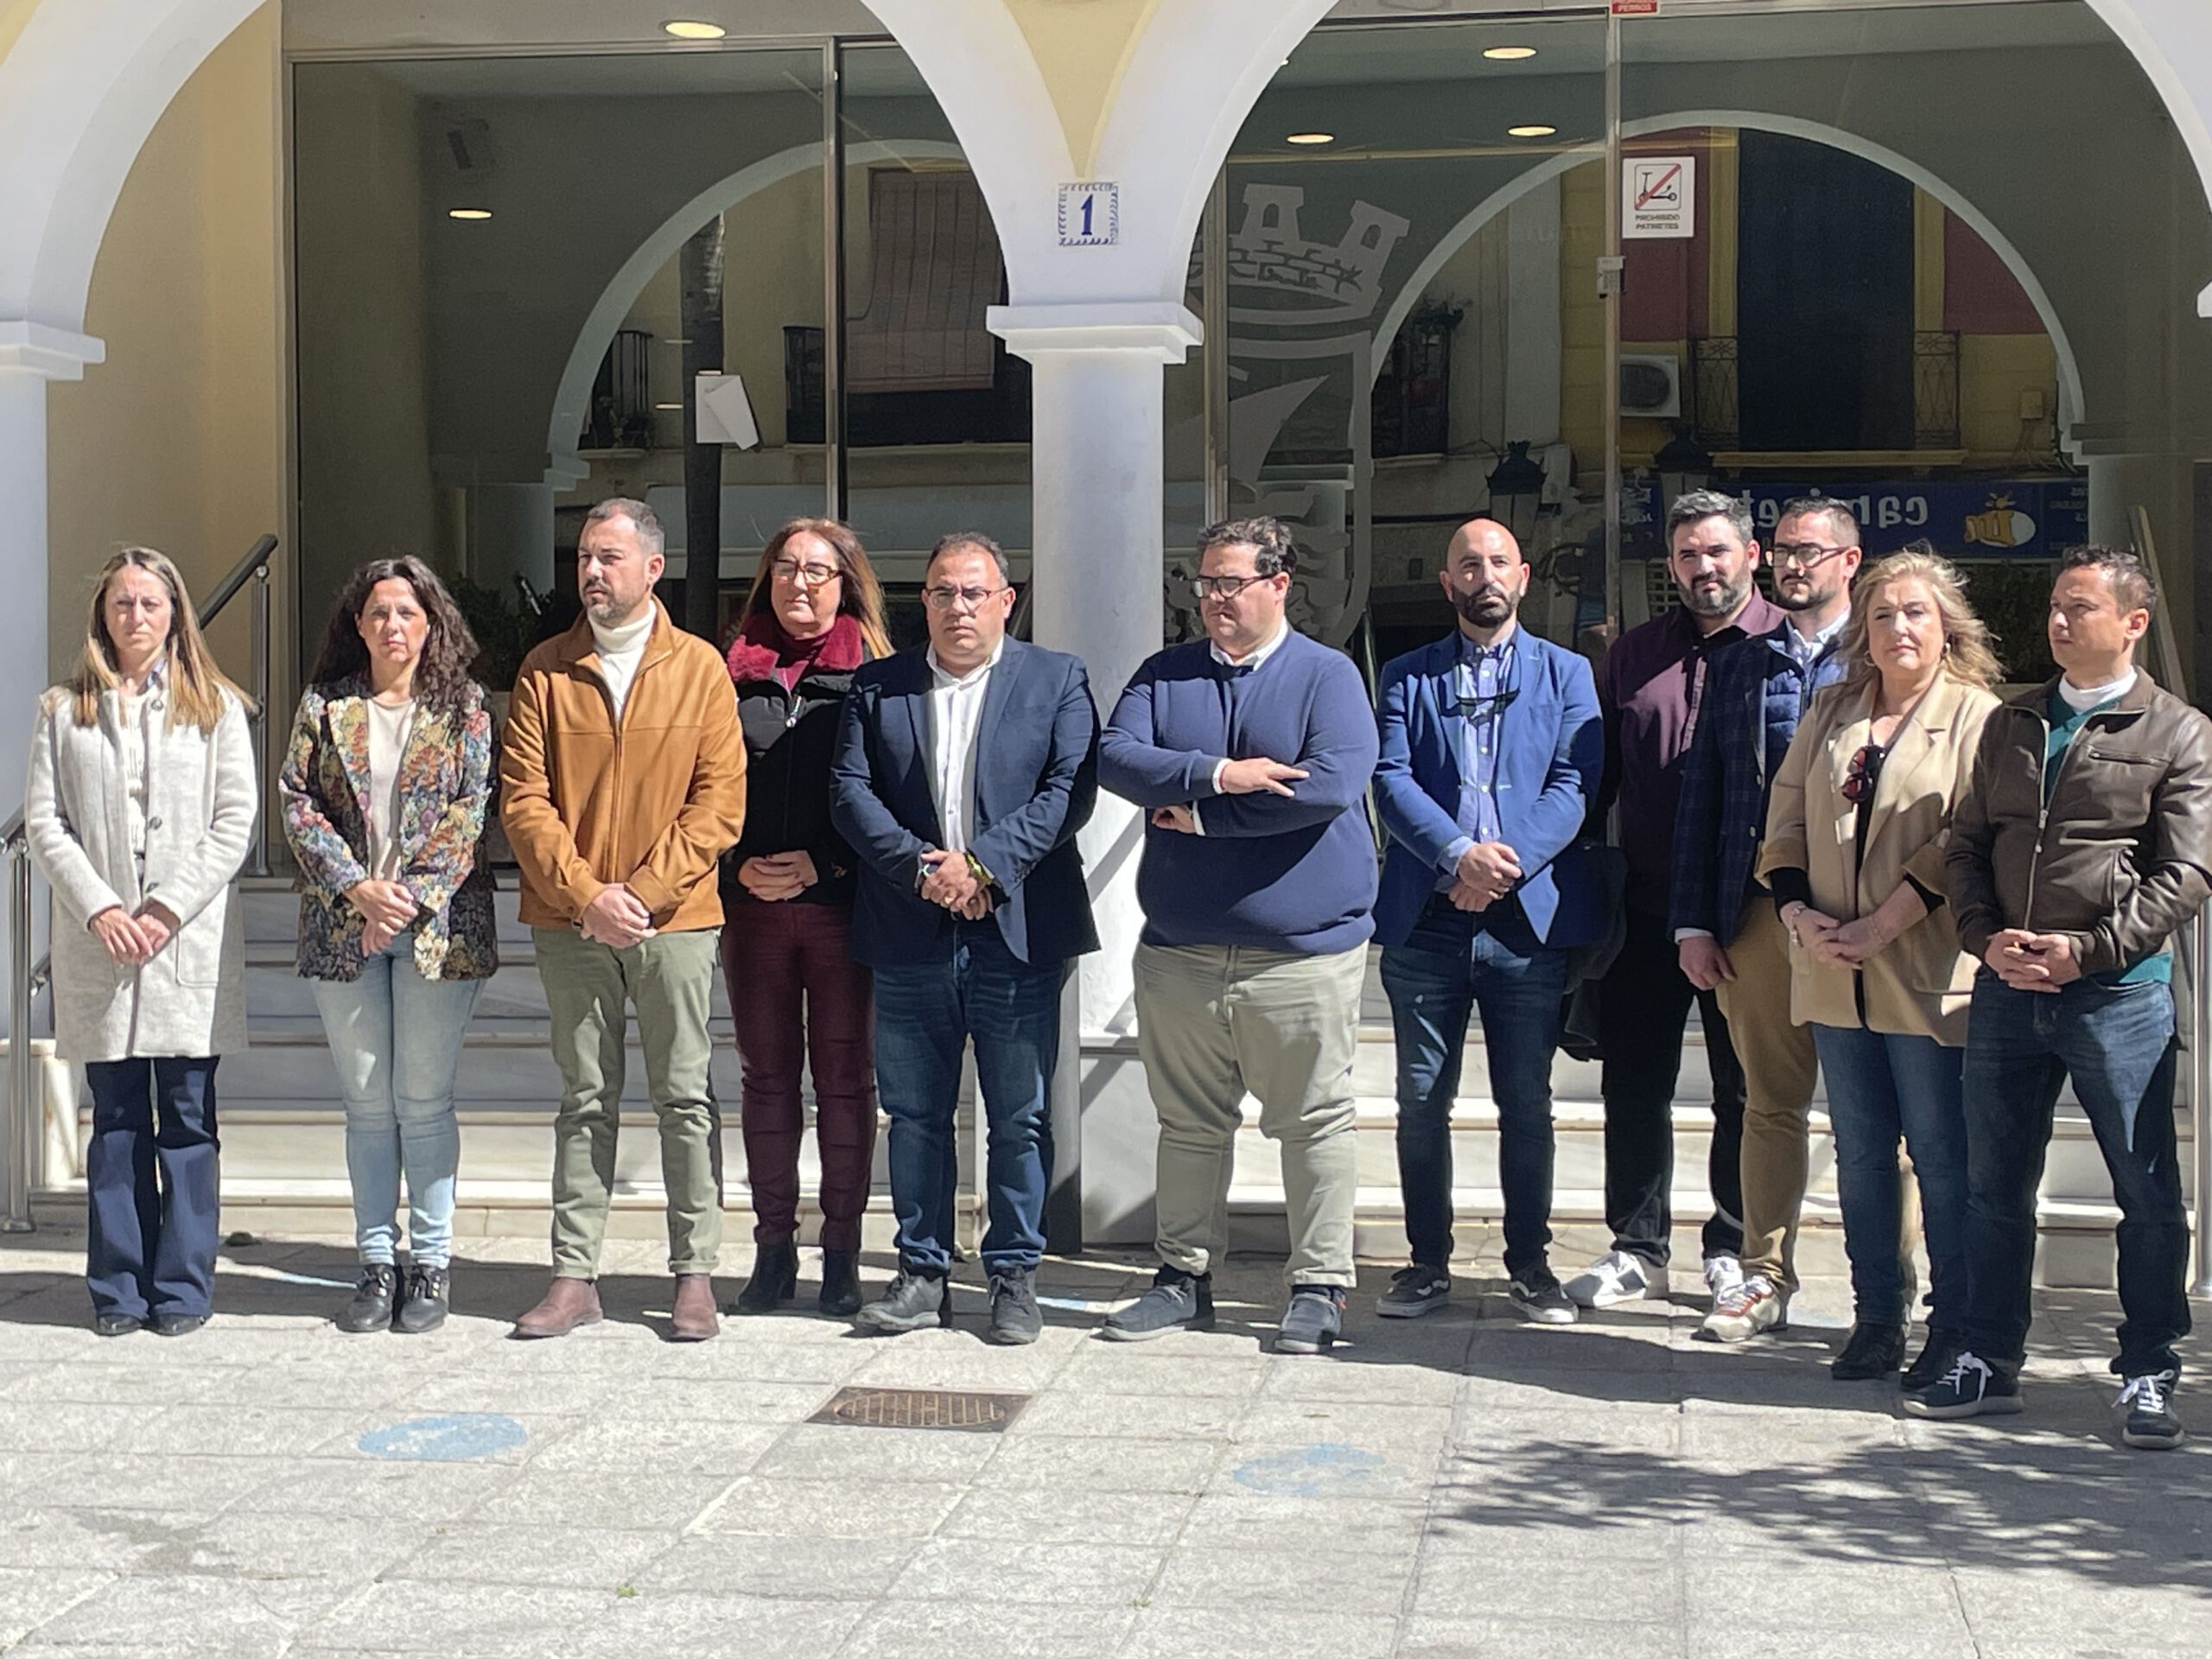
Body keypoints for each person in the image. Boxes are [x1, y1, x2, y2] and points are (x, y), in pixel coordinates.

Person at [1916, 545, 2212, 1449]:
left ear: (2133, 623)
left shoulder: (2177, 732)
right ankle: (1987, 1356)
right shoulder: (2013, 721)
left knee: (2145, 1190)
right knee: (1993, 1185)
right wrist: (1983, 937)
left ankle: (2149, 1369)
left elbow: (2185, 873)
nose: (2057, 621)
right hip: (2007, 987)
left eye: (2079, 607)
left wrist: (2086, 952)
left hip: (2117, 997)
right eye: (2054, 605)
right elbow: (1966, 844)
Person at [1096, 517, 1379, 1355]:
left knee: (1313, 1122)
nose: (1216, 599)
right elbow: (1115, 759)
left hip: (1302, 956)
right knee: (1188, 1125)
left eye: (1232, 583)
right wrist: (1218, 774)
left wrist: (1203, 818)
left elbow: (1326, 787)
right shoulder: (1166, 674)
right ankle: (1182, 1279)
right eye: (1207, 584)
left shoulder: (1327, 677)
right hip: (1180, 950)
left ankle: (1318, 1286)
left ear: (1279, 584)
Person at [830, 531, 1097, 1344]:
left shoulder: (1057, 679)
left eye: (974, 592)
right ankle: (922, 1273)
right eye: (942, 592)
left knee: (1019, 1115)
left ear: (1005, 602)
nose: (958, 607)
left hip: (1016, 931)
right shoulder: (878, 685)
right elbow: (850, 793)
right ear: (924, 602)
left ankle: (1013, 1275)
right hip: (910, 930)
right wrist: (925, 869)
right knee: (915, 1115)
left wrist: (982, 866)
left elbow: (1069, 792)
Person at [500, 498, 747, 1342]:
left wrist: (639, 892)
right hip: (571, 922)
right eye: (583, 558)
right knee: (584, 1097)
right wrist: (586, 896)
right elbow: (524, 802)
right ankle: (574, 1276)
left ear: (653, 568)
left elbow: (719, 803)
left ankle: (694, 1275)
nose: (592, 572)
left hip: (674, 920)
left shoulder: (700, 668)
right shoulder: (545, 670)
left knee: (685, 1096)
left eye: (609, 557)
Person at [1759, 547, 2000, 1383]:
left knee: (1940, 1155)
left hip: (1923, 972)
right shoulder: (1831, 710)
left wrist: (1883, 924)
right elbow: (1784, 823)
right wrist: (1798, 914)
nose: (1899, 627)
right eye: (1883, 614)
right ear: (1862, 630)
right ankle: (1875, 1317)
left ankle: (1954, 1325)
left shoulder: (1976, 716)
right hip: (1831, 968)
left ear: (1947, 628)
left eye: (1915, 612)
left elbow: (1964, 837)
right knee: (1860, 1153)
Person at [1370, 519, 1603, 1324]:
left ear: (1524, 576)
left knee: (1526, 1101)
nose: (1485, 576)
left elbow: (1575, 783)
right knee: (1419, 1100)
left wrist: (1504, 867)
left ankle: (1530, 1264)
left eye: (1498, 562)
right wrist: (1457, 855)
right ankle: (1426, 1263)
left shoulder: (1568, 673)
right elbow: (1391, 779)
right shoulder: (1406, 675)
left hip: (1522, 923)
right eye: (1468, 565)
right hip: (1427, 919)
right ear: (1448, 584)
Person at [24, 548, 255, 1337]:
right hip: (103, 947)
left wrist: (165, 907)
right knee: (117, 1121)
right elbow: (46, 823)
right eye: (122, 603)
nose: (136, 616)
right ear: (103, 613)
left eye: (151, 603)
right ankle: (119, 1289)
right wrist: (99, 907)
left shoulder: (217, 708)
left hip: (183, 944)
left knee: (187, 1118)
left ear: (175, 613)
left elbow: (234, 822)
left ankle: (182, 1288)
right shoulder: (63, 710)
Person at [1567, 489, 1782, 1313]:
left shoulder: (1786, 649)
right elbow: (1597, 780)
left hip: (1751, 915)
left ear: (1751, 555)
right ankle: (1637, 1249)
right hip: (1648, 906)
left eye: (1717, 551)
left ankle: (1732, 1246)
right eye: (1688, 555)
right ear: (1671, 567)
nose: (1704, 568)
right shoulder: (1634, 655)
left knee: (1744, 1091)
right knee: (1634, 1084)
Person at [281, 557, 498, 1336]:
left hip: (437, 931)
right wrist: (358, 891)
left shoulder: (465, 707)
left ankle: (430, 1265)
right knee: (369, 1104)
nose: (392, 625)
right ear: (358, 624)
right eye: (378, 612)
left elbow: (472, 810)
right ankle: (377, 1263)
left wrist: (401, 902)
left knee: (424, 1101)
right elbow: (297, 803)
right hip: (344, 929)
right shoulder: (326, 705)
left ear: (431, 624)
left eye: (407, 612)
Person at [1671, 498, 1861, 1344]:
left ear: (1849, 561)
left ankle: (1888, 1293)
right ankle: (1763, 1276)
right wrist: (1691, 922)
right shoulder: (1741, 665)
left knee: (1876, 1119)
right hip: (1753, 917)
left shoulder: (1883, 656)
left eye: (1809, 551)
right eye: (1782, 550)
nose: (1792, 564)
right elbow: (1702, 796)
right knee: (1766, 1105)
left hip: (1861, 925)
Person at [719, 518, 889, 1319]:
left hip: (841, 908)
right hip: (751, 909)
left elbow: (892, 794)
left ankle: (843, 1252)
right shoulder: (725, 672)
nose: (801, 583)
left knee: (846, 1082)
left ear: (846, 584)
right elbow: (699, 786)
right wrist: (733, 866)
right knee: (765, 1079)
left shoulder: (877, 676)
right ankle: (773, 1248)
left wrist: (828, 865)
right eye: (786, 567)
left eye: (819, 571)